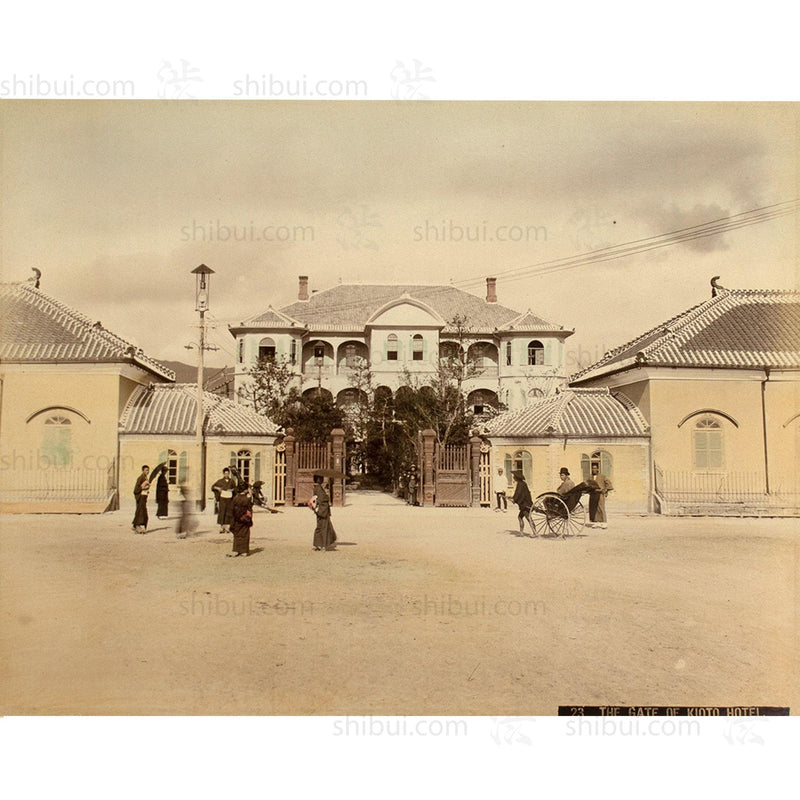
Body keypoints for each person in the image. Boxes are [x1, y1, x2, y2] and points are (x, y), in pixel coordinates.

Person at [311, 473, 337, 551]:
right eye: (321, 478)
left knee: (319, 527)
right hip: (323, 510)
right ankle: (323, 545)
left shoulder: (317, 488)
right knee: (324, 527)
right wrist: (327, 496)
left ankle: (317, 544)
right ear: (318, 479)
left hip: (320, 510)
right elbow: (322, 499)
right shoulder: (318, 488)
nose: (322, 479)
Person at [227, 482, 253, 557]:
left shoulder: (235, 498)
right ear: (245, 490)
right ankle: (244, 551)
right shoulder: (247, 499)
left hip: (236, 518)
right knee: (245, 534)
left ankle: (236, 550)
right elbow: (249, 508)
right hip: (245, 519)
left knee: (237, 534)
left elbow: (231, 509)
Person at [211, 467, 237, 534]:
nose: (226, 475)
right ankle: (222, 527)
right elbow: (213, 487)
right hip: (222, 498)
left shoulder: (232, 481)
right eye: (225, 474)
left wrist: (232, 490)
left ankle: (228, 527)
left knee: (229, 512)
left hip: (229, 498)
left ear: (229, 474)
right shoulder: (220, 481)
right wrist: (217, 488)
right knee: (222, 512)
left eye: (228, 474)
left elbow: (235, 489)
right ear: (223, 474)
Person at [510, 469, 536, 536]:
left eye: (514, 476)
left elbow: (518, 494)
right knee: (520, 517)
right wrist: (513, 498)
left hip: (525, 505)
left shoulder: (520, 484)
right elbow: (518, 494)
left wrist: (514, 499)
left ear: (517, 477)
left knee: (528, 518)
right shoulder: (522, 483)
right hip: (525, 504)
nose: (513, 477)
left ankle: (535, 532)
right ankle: (521, 533)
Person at [588, 462, 613, 529]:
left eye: (595, 468)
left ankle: (604, 523)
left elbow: (609, 483)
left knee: (601, 507)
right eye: (593, 468)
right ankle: (596, 522)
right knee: (594, 508)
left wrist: (605, 490)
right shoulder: (590, 477)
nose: (594, 470)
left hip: (600, 494)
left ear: (598, 469)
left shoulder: (602, 476)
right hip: (593, 494)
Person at [131, 465, 150, 533]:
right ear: (143, 471)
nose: (147, 472)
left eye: (148, 470)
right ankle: (137, 526)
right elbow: (136, 490)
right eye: (146, 470)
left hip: (144, 497)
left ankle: (135, 525)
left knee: (142, 511)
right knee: (141, 512)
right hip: (141, 497)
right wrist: (143, 488)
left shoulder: (145, 478)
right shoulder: (140, 478)